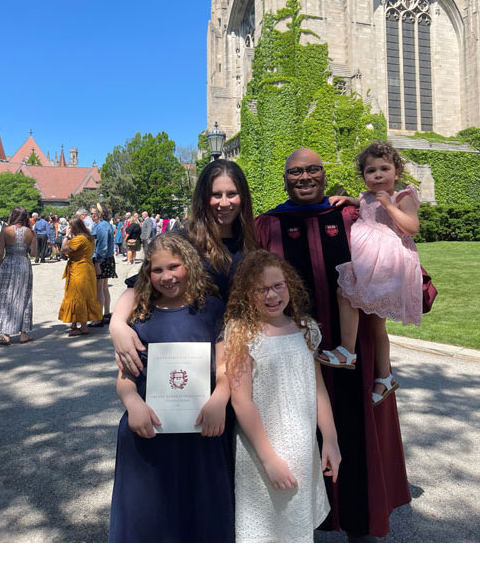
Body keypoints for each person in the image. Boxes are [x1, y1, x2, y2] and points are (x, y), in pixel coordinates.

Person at [254, 147, 410, 540]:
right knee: (294, 428)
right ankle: (301, 517)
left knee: (355, 430)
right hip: (292, 351)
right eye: (295, 172)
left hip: (353, 351)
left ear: (324, 175)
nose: (304, 177)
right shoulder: (268, 225)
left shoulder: (350, 215)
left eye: (312, 170)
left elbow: (392, 253)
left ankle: (358, 519)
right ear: (285, 178)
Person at [107, 233, 233, 542]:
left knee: (201, 511)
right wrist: (133, 404)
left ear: (189, 265)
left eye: (173, 267)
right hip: (149, 426)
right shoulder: (140, 316)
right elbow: (125, 378)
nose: (166, 276)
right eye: (157, 270)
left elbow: (227, 368)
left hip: (202, 426)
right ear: (147, 274)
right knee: (147, 514)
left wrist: (220, 399)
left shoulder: (212, 310)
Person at [225, 250, 340, 543]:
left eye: (278, 286)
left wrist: (330, 439)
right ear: (246, 293)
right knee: (264, 530)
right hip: (262, 450)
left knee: (296, 528)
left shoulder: (306, 330)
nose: (271, 295)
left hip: (302, 445)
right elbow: (241, 401)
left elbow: (318, 388)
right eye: (260, 289)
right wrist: (269, 460)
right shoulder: (242, 333)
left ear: (290, 285)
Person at [110, 159, 260, 377]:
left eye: (232, 194)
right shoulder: (182, 240)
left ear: (243, 197)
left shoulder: (252, 244)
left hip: (240, 356)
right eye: (216, 194)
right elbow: (139, 284)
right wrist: (117, 326)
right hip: (194, 358)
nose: (224, 202)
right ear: (202, 198)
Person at [318, 142, 421, 406]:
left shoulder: (402, 197)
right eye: (370, 170)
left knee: (357, 305)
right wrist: (349, 200)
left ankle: (349, 353)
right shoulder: (366, 197)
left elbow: (411, 227)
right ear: (363, 176)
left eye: (384, 169)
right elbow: (364, 205)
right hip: (367, 263)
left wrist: (389, 206)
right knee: (361, 309)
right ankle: (381, 374)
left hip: (387, 265)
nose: (377, 175)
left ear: (396, 172)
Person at [0, 206, 37, 345]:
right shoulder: (30, 232)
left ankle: (6, 335)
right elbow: (34, 253)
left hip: (9, 263)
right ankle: (23, 334)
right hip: (23, 264)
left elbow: (0, 252)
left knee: (5, 295)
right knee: (24, 295)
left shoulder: (5, 230)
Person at [59, 216, 102, 337]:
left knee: (78, 295)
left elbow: (63, 249)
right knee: (79, 295)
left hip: (79, 269)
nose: (68, 228)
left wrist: (66, 236)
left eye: (70, 226)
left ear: (74, 227)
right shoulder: (88, 238)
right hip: (86, 268)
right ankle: (74, 322)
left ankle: (83, 327)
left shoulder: (79, 239)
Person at [90, 204, 117, 327]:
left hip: (102, 259)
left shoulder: (101, 226)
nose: (91, 215)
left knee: (99, 288)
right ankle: (106, 314)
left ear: (99, 213)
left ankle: (98, 317)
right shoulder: (107, 225)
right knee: (104, 287)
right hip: (108, 258)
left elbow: (102, 246)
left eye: (93, 213)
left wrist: (98, 262)